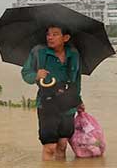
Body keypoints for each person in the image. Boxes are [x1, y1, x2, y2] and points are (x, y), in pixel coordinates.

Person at [21, 25, 85, 161]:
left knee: (62, 145)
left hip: (68, 103)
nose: (50, 37)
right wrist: (36, 75)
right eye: (48, 34)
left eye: (55, 34)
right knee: (50, 147)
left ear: (66, 38)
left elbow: (77, 79)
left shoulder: (73, 54)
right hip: (47, 103)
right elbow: (26, 73)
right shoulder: (38, 52)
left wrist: (78, 100)